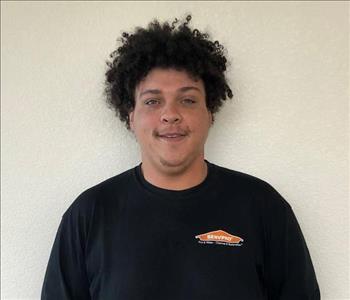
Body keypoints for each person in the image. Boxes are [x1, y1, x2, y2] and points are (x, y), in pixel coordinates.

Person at [41, 15, 320, 299]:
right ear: (131, 117)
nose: (170, 114)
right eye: (152, 101)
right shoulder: (89, 215)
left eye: (188, 99)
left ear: (210, 113)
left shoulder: (263, 207)